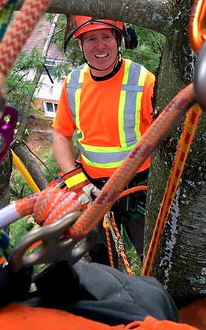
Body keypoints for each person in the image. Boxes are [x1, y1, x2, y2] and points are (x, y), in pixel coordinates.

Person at [52, 15, 155, 266]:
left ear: (119, 40)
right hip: (92, 189)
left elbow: (166, 137)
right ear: (80, 45)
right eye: (91, 39)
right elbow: (60, 132)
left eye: (106, 37)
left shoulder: (143, 81)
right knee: (101, 260)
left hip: (137, 189)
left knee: (154, 256)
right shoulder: (73, 83)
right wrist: (75, 180)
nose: (100, 46)